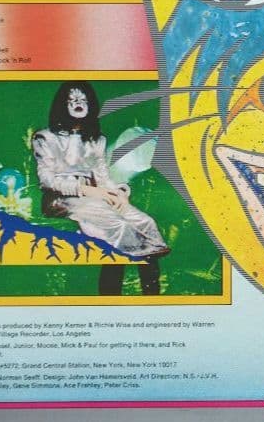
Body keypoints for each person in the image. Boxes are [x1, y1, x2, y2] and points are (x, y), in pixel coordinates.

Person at [32, 81, 170, 296]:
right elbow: (47, 180)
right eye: (72, 99)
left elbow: (103, 177)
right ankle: (111, 294)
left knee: (146, 222)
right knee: (119, 227)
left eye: (83, 99)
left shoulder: (97, 139)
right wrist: (89, 191)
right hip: (61, 200)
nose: (78, 103)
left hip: (96, 197)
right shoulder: (45, 137)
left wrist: (119, 192)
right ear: (62, 105)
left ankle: (151, 295)